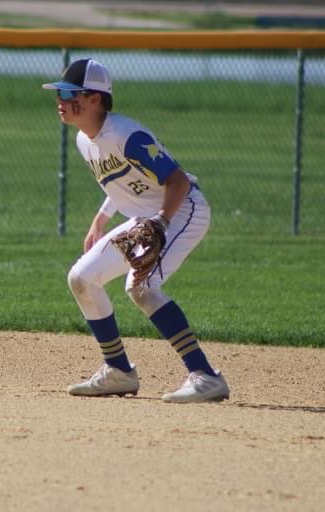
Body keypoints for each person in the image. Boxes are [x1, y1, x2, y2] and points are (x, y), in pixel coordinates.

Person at [42, 59, 230, 403]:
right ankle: (118, 371)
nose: (61, 101)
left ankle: (205, 376)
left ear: (95, 98)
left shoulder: (127, 135)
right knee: (81, 279)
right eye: (59, 94)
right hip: (146, 218)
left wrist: (162, 221)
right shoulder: (84, 140)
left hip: (183, 209)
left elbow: (177, 180)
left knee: (141, 286)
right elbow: (122, 182)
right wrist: (100, 219)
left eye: (70, 94)